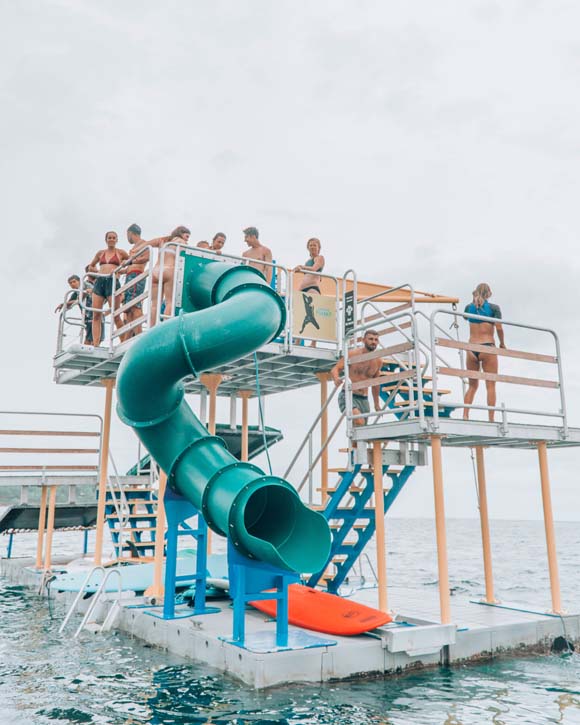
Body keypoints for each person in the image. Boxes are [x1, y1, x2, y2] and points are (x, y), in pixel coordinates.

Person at [462, 283, 505, 422]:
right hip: (487, 346)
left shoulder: (469, 307)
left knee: (472, 385)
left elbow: (465, 317)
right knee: (490, 384)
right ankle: (491, 419)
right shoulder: (494, 308)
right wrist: (502, 343)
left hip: (471, 348)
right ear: (488, 294)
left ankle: (465, 415)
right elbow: (499, 328)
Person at [331, 329, 382, 426]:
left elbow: (376, 384)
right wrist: (336, 379)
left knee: (359, 433)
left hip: (364, 399)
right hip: (348, 395)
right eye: (371, 339)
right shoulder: (353, 354)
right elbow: (335, 368)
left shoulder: (378, 361)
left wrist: (376, 404)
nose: (373, 342)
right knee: (359, 422)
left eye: (376, 340)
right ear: (363, 340)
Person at [86, 231, 129, 346]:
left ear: (117, 240)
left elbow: (131, 263)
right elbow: (91, 266)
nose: (111, 239)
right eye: (109, 238)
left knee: (116, 314)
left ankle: (123, 341)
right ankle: (96, 344)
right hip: (100, 281)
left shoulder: (121, 252)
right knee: (96, 315)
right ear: (106, 240)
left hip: (113, 281)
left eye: (114, 238)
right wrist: (97, 271)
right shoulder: (100, 253)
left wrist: (120, 270)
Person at [150, 225, 190, 325]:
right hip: (168, 270)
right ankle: (165, 325)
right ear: (181, 234)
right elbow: (189, 254)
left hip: (155, 271)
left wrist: (133, 252)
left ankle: (151, 328)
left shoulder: (163, 241)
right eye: (187, 236)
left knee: (154, 305)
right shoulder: (181, 242)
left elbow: (146, 244)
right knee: (170, 302)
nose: (187, 239)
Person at [122, 223, 150, 340]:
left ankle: (139, 337)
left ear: (130, 233)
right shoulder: (133, 248)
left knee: (135, 306)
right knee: (128, 309)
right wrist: (122, 270)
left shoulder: (144, 244)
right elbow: (130, 265)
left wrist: (131, 261)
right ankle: (126, 338)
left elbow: (147, 257)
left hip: (136, 275)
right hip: (129, 276)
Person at [55, 275, 94, 344]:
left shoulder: (86, 285)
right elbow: (69, 303)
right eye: (70, 283)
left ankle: (91, 347)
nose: (72, 284)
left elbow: (91, 293)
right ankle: (89, 348)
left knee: (93, 334)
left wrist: (65, 303)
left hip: (94, 311)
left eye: (74, 282)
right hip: (86, 315)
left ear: (79, 281)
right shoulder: (75, 292)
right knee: (90, 334)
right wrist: (63, 304)